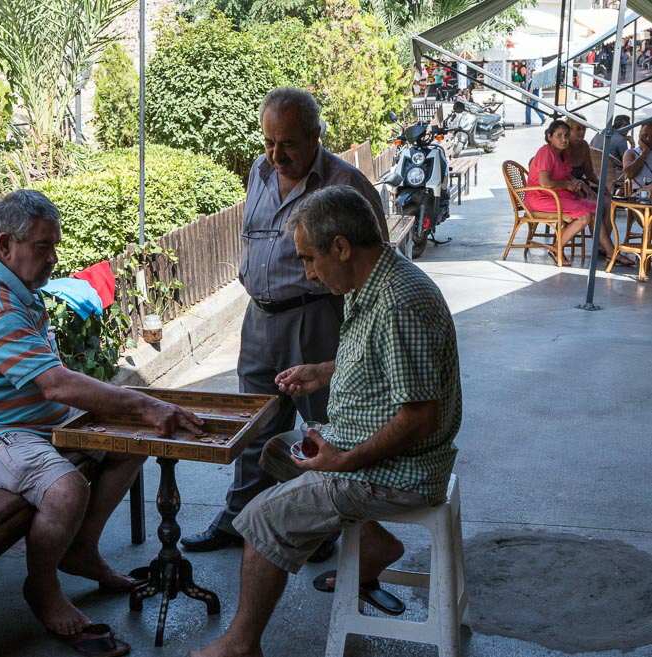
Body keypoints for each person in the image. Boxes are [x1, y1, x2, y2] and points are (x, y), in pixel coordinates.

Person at [187, 185, 462, 657]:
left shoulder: (399, 303)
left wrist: (344, 460)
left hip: (403, 470)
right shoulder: (368, 282)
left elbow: (419, 417)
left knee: (259, 520)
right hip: (367, 446)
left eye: (310, 259)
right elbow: (381, 360)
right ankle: (373, 543)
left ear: (341, 246)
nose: (308, 272)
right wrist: (322, 371)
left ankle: (240, 644)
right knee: (279, 451)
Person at [0, 189, 204, 653]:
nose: (54, 259)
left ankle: (80, 550)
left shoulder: (14, 284)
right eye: (42, 248)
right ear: (5, 245)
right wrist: (145, 405)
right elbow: (55, 384)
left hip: (28, 421)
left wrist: (134, 411)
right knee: (65, 488)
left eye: (54, 246)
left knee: (129, 442)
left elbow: (49, 384)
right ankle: (42, 587)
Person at [180, 87, 388, 555]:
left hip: (317, 320)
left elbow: (375, 265)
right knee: (254, 426)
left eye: (288, 144)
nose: (276, 155)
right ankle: (239, 518)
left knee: (327, 431)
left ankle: (329, 532)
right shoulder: (259, 171)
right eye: (269, 142)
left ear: (315, 136)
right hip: (259, 319)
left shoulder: (346, 185)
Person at [526, 120, 629, 267]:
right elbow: (545, 183)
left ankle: (610, 252)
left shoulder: (562, 154)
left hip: (557, 195)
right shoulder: (545, 153)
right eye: (559, 136)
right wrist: (568, 185)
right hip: (541, 197)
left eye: (566, 136)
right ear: (549, 136)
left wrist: (578, 184)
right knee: (584, 215)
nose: (564, 139)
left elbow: (566, 174)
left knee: (594, 210)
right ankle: (556, 248)